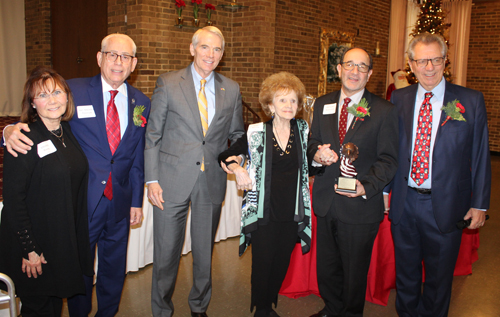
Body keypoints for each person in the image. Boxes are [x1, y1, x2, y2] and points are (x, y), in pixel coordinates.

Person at [4, 33, 151, 316]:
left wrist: (136, 201)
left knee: (113, 269)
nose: (118, 62)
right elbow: (39, 117)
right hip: (81, 202)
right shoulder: (72, 90)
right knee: (80, 268)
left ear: (134, 64)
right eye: (112, 54)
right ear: (99, 58)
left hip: (120, 202)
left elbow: (136, 155)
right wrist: (7, 131)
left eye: (126, 57)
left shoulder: (142, 102)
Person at [385, 33, 491, 317]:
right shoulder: (399, 98)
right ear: (411, 63)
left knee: (438, 279)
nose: (429, 67)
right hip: (405, 202)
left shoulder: (470, 100)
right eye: (422, 60)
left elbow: (480, 155)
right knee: (406, 276)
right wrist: (385, 190)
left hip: (446, 205)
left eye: (435, 59)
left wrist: (480, 204)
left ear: (445, 61)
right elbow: (391, 149)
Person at [144, 26, 244, 317]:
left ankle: (199, 306)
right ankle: (162, 309)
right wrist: (152, 180)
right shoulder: (168, 83)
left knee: (203, 253)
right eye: (205, 47)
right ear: (192, 49)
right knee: (166, 255)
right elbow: (153, 136)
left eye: (216, 49)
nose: (210, 54)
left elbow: (237, 134)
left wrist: (235, 159)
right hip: (170, 181)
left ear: (222, 54)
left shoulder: (232, 88)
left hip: (210, 180)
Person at [307, 47, 399, 317]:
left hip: (359, 206)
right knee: (327, 266)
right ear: (339, 69)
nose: (354, 71)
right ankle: (331, 308)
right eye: (349, 65)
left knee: (354, 271)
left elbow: (389, 159)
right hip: (325, 200)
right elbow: (312, 140)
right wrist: (316, 153)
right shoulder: (322, 104)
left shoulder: (384, 110)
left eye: (361, 67)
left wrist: (366, 185)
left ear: (370, 73)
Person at [0, 67, 93, 316]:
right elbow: (13, 200)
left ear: (67, 97)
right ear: (32, 103)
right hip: (33, 246)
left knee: (52, 307)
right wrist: (29, 249)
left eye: (56, 92)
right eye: (42, 95)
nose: (52, 100)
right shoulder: (24, 137)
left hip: (58, 240)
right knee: (39, 308)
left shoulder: (67, 131)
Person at [218, 72, 312, 317]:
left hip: (292, 211)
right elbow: (226, 156)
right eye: (282, 100)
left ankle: (269, 302)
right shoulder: (255, 131)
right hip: (263, 210)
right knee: (263, 263)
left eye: (293, 101)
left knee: (281, 262)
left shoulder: (303, 130)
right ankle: (261, 309)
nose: (289, 106)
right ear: (270, 105)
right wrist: (238, 168)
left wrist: (322, 158)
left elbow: (311, 165)